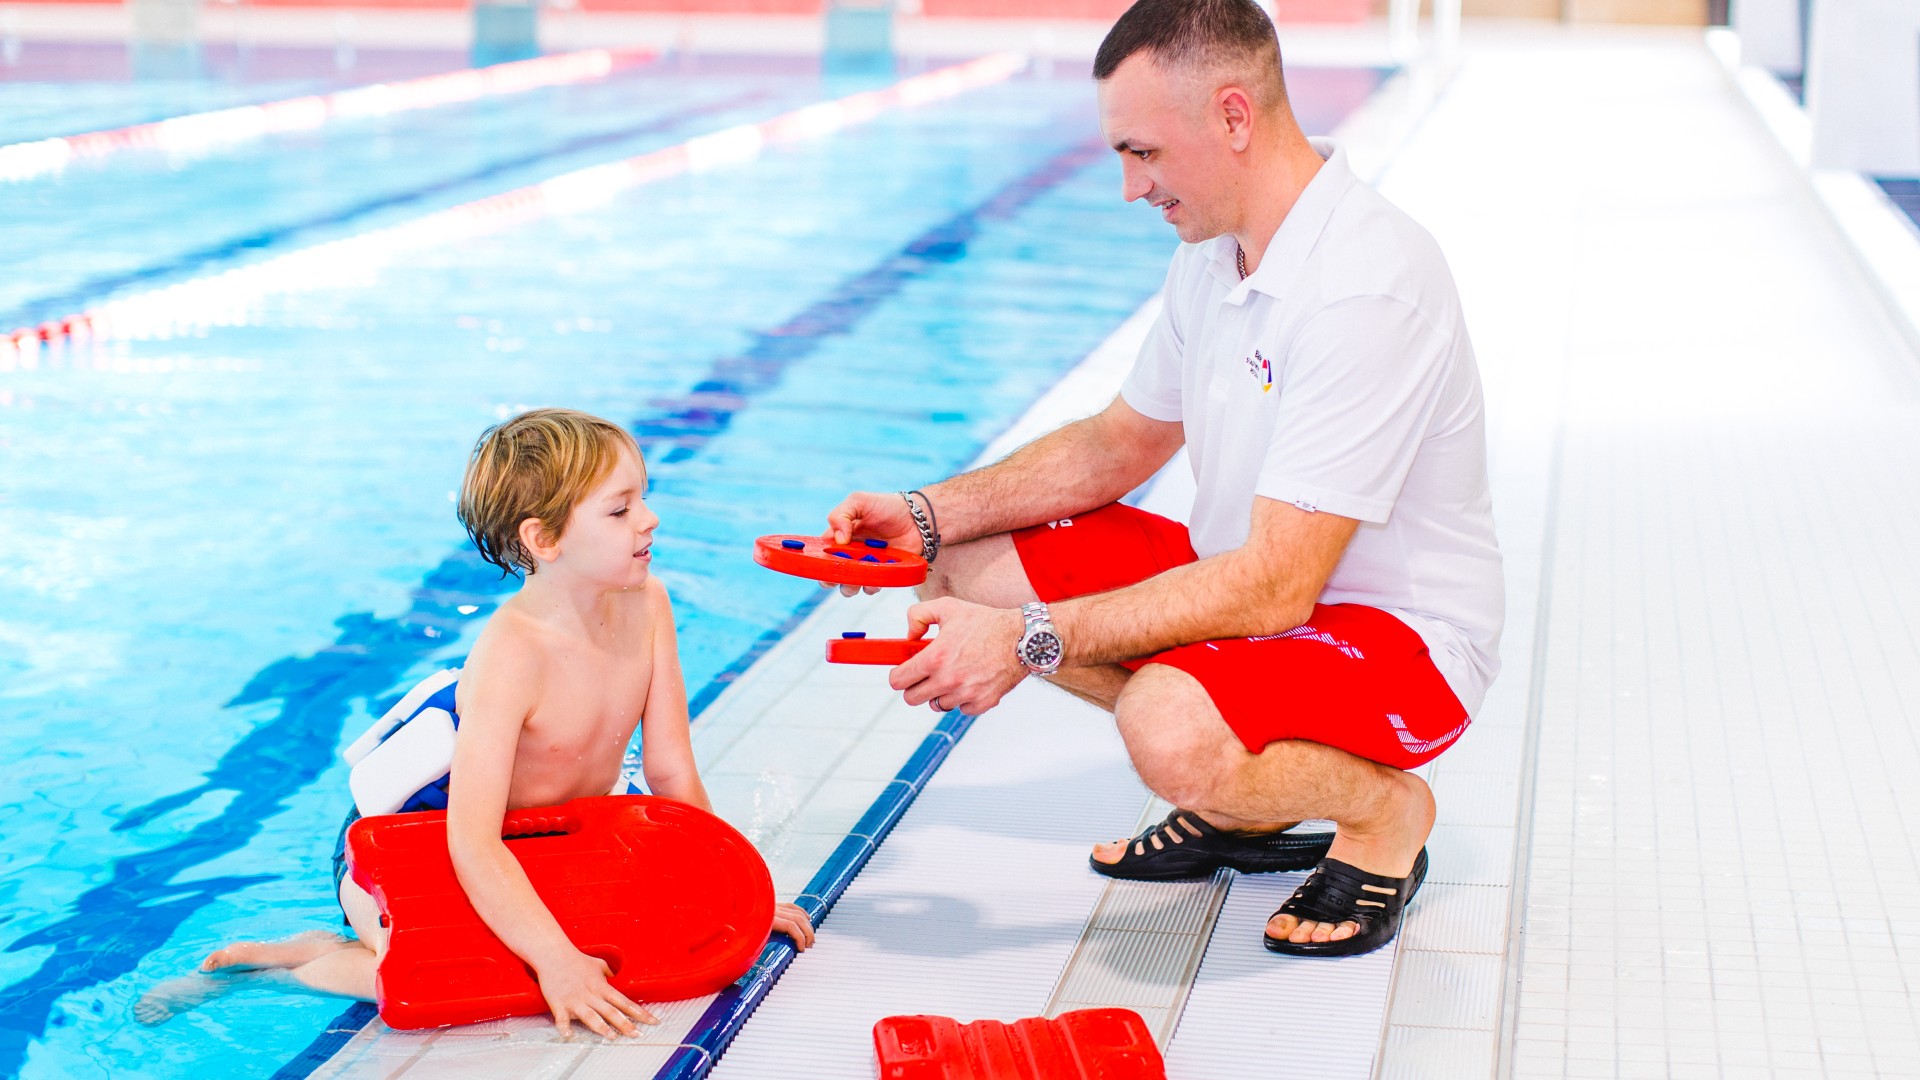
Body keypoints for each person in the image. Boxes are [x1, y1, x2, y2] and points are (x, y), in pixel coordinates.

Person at [823, 0, 1502, 957]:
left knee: (1168, 726)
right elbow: (1117, 445)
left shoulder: (1363, 286)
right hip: (1259, 589)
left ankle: (1387, 815)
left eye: (1142, 153)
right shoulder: (1216, 251)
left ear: (1233, 116)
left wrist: (1029, 642)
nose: (1129, 188)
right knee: (961, 562)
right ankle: (1251, 804)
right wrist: (928, 513)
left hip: (1399, 641)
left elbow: (1276, 589)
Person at [140, 409, 814, 1032]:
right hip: (423, 835)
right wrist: (553, 959)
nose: (650, 519)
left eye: (643, 496)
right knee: (448, 977)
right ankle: (293, 963)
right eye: (620, 509)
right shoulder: (513, 652)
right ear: (544, 539)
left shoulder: (648, 605)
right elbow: (472, 840)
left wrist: (734, 897)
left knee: (645, 941)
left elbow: (670, 772)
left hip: (549, 836)